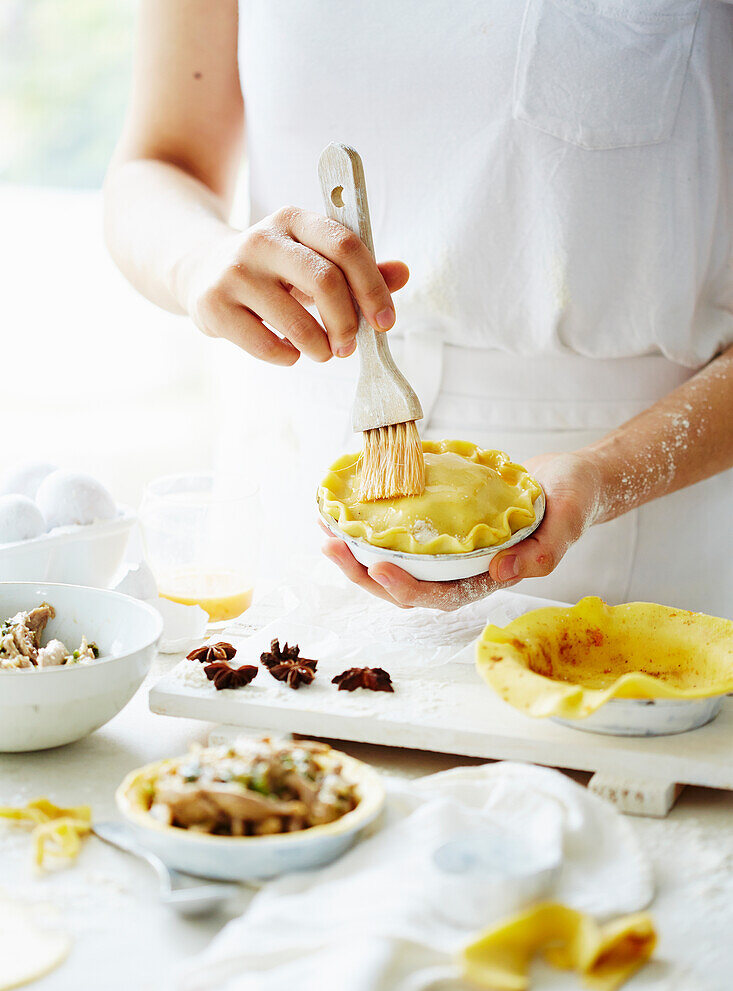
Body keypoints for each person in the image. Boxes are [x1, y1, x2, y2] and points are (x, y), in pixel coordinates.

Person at [105, 0, 733, 616]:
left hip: (628, 514)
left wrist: (605, 473)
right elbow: (157, 162)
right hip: (292, 478)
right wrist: (198, 260)